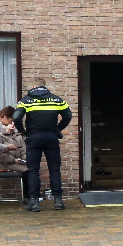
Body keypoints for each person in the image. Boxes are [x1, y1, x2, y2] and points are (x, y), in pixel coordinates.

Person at [14, 78, 72, 212]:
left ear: (33, 86)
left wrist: (22, 131)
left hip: (33, 137)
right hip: (51, 137)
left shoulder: (26, 100)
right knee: (54, 169)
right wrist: (58, 129)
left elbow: (16, 117)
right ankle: (58, 201)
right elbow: (68, 116)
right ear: (45, 87)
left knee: (33, 170)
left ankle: (34, 202)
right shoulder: (57, 100)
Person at [0, 121, 29, 197]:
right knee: (27, 171)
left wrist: (24, 160)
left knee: (32, 169)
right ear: (5, 124)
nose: (13, 125)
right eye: (11, 123)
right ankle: (27, 197)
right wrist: (13, 160)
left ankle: (32, 196)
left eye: (15, 123)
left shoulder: (18, 137)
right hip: (3, 164)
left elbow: (23, 151)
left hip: (17, 163)